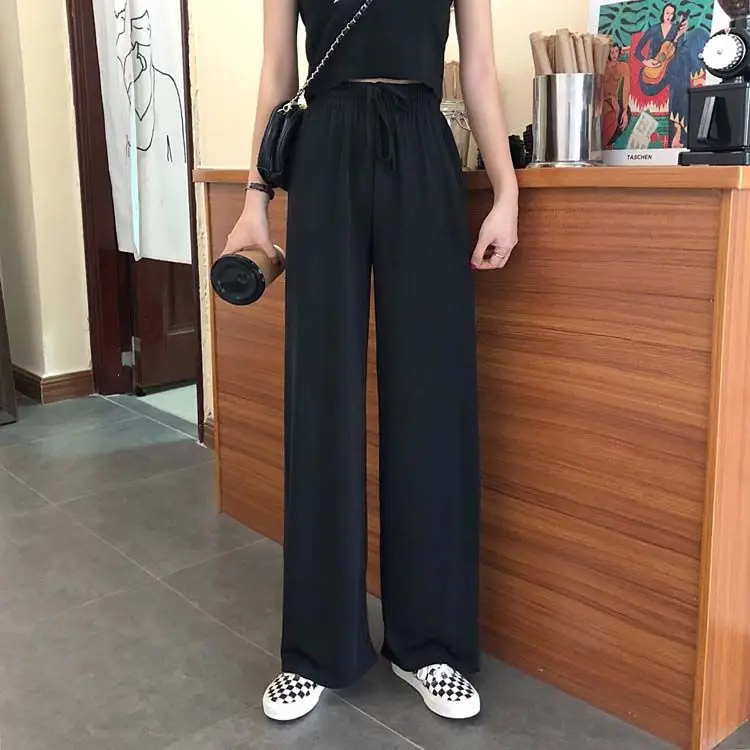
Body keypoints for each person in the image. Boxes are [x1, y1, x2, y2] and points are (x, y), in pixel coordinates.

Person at [222, 0, 518, 723]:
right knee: (320, 394)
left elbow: (478, 69)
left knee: (432, 392)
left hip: (422, 141)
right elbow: (277, 72)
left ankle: (430, 644)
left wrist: (506, 190)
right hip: (324, 149)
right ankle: (315, 650)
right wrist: (255, 198)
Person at [633, 2, 708, 148]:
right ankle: (680, 130)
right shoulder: (654, 29)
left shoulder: (675, 29)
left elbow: (677, 50)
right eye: (667, 13)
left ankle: (678, 130)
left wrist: (679, 36)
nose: (669, 16)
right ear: (662, 13)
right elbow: (637, 51)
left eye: (672, 14)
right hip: (651, 75)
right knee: (680, 65)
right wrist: (646, 61)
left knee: (697, 36)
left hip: (670, 68)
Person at [602, 43, 631, 148]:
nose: (614, 54)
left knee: (617, 115)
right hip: (601, 100)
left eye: (616, 51)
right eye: (611, 52)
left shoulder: (623, 66)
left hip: (613, 101)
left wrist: (625, 111)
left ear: (619, 52)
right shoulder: (602, 65)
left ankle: (607, 146)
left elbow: (626, 89)